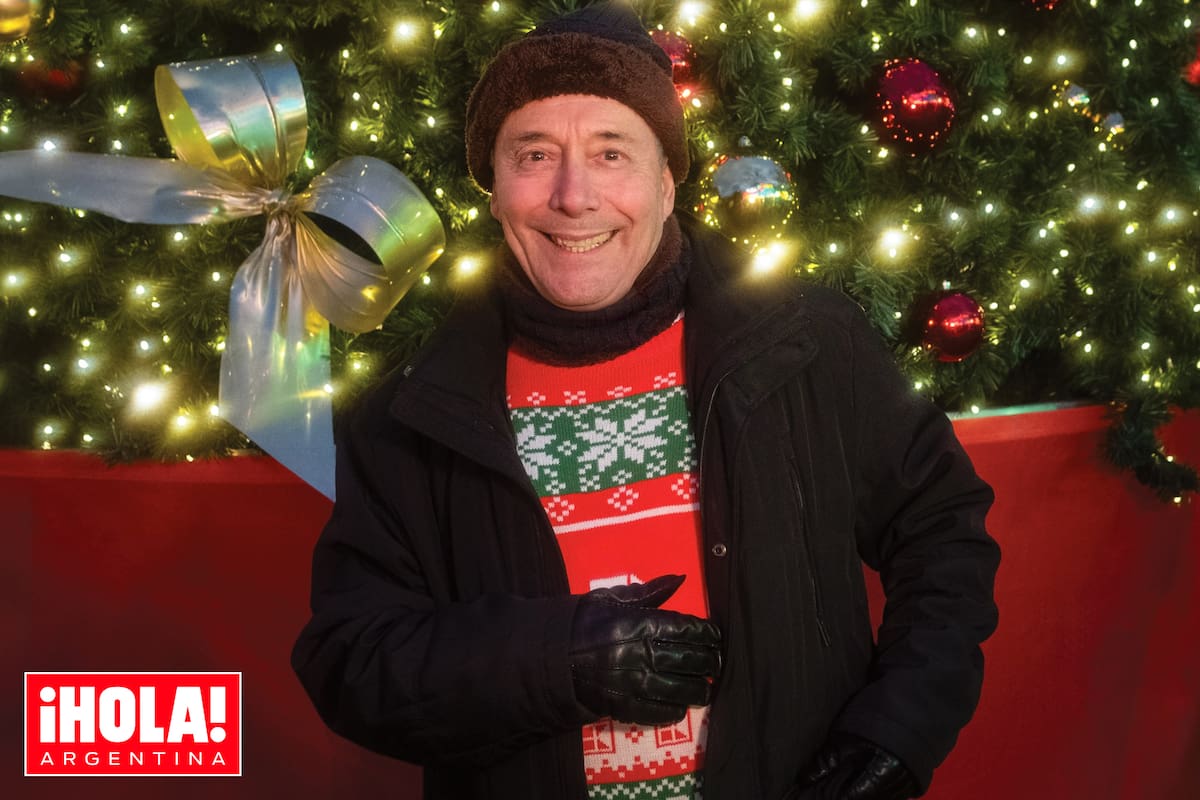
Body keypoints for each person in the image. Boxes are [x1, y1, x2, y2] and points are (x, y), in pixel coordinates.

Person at [291, 4, 1000, 799]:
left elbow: (943, 532)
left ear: (666, 183)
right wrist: (556, 659)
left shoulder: (808, 343)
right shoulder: (414, 414)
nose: (573, 196)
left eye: (611, 153)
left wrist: (901, 726)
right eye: (534, 155)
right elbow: (353, 661)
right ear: (494, 190)